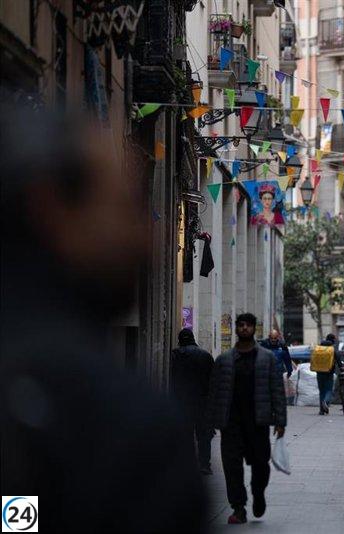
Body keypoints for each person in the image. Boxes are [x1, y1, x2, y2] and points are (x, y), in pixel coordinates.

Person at [0, 108, 206, 531]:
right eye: (125, 207)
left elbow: (18, 518)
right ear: (52, 209)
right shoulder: (124, 424)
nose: (143, 237)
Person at [206, 313, 287, 524]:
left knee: (261, 465)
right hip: (231, 424)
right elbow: (214, 393)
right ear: (236, 329)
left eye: (248, 325)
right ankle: (238, 507)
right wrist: (210, 421)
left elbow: (276, 390)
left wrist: (280, 420)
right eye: (240, 325)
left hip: (258, 422)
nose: (244, 328)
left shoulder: (266, 359)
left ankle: (258, 494)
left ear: (254, 328)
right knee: (232, 468)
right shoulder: (224, 361)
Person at [170, 328, 215, 475]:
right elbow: (214, 381)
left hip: (183, 401)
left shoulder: (175, 355)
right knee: (204, 435)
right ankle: (204, 464)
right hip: (203, 401)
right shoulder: (206, 356)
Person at [310, 333, 340, 415]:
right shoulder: (332, 349)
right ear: (333, 340)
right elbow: (339, 362)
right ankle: (326, 402)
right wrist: (341, 367)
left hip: (319, 372)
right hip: (329, 373)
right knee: (329, 390)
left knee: (321, 391)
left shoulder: (318, 348)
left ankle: (321, 410)